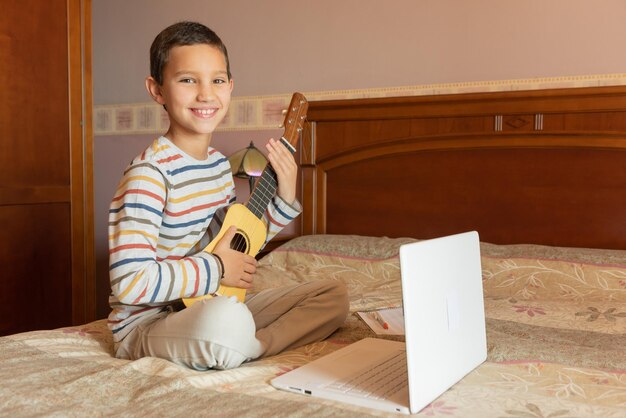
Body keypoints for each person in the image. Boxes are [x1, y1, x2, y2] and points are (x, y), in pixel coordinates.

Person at [107, 21, 349, 370]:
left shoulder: (219, 166)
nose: (206, 94)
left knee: (333, 296)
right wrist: (218, 267)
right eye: (188, 80)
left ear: (230, 87)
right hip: (147, 325)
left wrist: (285, 195)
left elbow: (236, 243)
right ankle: (240, 342)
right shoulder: (150, 175)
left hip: (206, 302)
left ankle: (245, 345)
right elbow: (131, 284)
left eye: (217, 80)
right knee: (224, 319)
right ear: (157, 89)